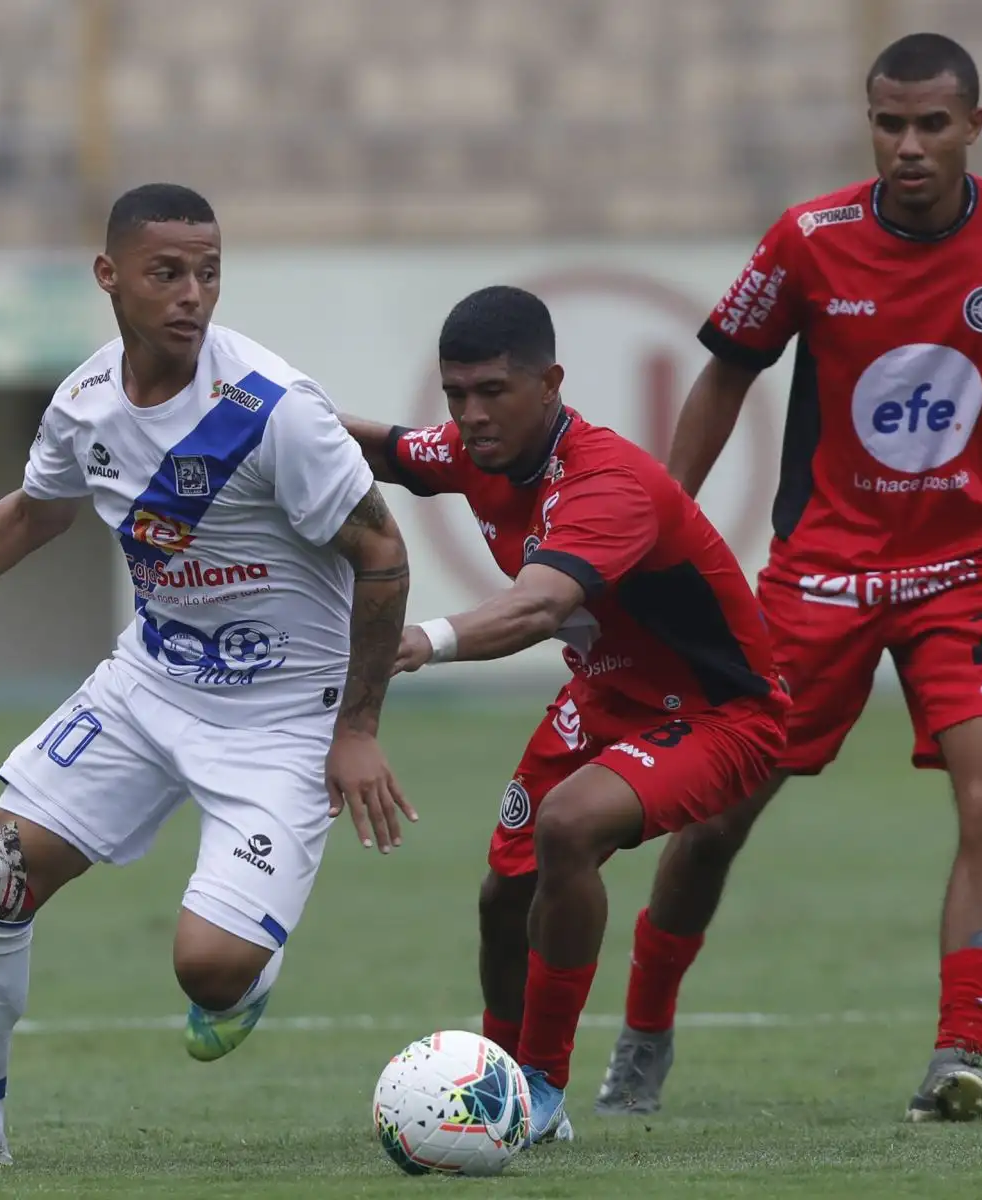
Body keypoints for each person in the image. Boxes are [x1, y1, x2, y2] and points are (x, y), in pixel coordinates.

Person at [594, 32, 982, 1124]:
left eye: (931, 125)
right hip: (820, 576)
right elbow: (725, 374)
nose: (908, 147)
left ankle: (959, 1054)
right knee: (713, 817)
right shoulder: (809, 241)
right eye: (888, 124)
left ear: (973, 127)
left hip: (968, 569)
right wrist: (661, 521)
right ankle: (645, 1033)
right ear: (871, 125)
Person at [0, 183, 414, 1173]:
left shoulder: (273, 412)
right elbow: (33, 512)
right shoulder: (85, 404)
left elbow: (383, 555)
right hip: (150, 687)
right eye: (167, 272)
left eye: (208, 272)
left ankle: (243, 973)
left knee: (209, 974)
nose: (191, 294)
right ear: (110, 276)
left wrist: (357, 728)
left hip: (282, 719)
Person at [341, 285, 788, 1147]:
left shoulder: (607, 481)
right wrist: (268, 413)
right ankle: (493, 1088)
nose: (470, 417)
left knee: (569, 824)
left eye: (491, 393)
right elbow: (389, 453)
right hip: (605, 699)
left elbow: (536, 610)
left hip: (721, 714)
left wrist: (416, 641)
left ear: (550, 383)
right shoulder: (479, 446)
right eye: (455, 396)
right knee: (503, 899)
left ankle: (541, 1089)